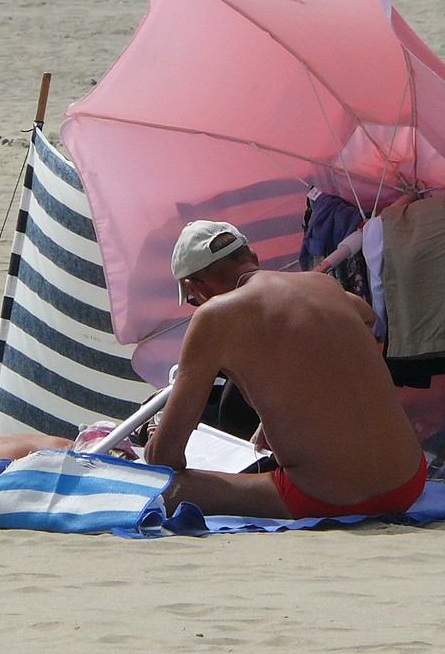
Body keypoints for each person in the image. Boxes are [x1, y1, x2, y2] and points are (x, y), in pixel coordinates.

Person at [145, 221, 427, 519]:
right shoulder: (324, 285)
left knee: (162, 486)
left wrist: (151, 443)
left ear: (197, 286)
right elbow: (367, 316)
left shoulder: (213, 316)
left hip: (326, 497)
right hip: (409, 483)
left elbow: (163, 457)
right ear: (252, 257)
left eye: (192, 298)